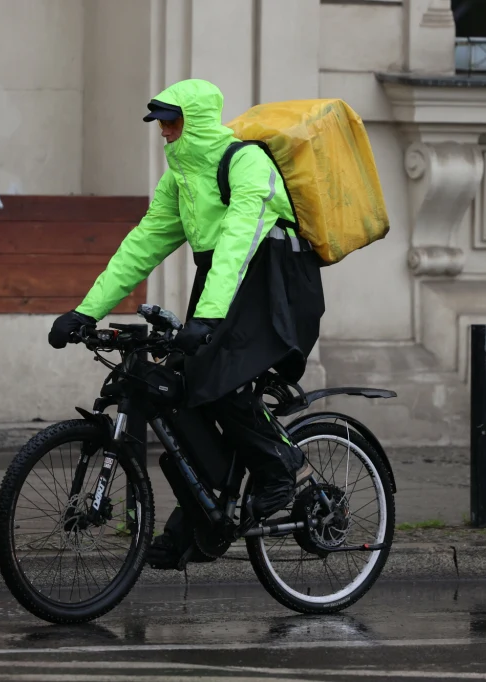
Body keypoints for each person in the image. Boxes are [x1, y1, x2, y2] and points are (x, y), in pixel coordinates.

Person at [47, 79, 324, 569]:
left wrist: (208, 316)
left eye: (171, 123)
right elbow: (144, 243)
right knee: (175, 389)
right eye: (159, 124)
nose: (164, 133)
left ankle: (282, 468)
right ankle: (203, 522)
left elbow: (241, 240)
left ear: (194, 122)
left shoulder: (246, 162)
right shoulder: (180, 178)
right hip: (222, 290)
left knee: (224, 383)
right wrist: (86, 310)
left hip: (271, 287)